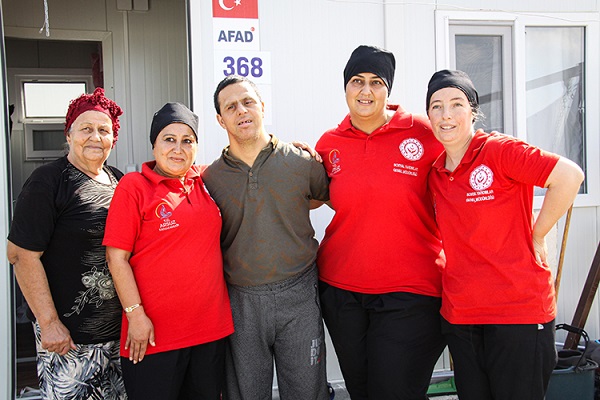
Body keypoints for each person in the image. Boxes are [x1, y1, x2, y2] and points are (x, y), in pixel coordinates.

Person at [425, 69, 585, 400]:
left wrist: (538, 233)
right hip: (463, 316)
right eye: (436, 106)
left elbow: (569, 176)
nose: (446, 115)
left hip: (517, 314)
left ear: (473, 110)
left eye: (456, 104)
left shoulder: (499, 151)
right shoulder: (436, 172)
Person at [314, 45, 446, 400]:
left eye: (376, 82)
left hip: (410, 292)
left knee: (395, 391)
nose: (366, 91)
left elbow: (463, 171)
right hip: (342, 291)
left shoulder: (424, 132)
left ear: (389, 89)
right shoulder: (330, 143)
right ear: (346, 87)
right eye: (357, 81)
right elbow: (315, 194)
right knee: (361, 390)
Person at [202, 75, 330, 400]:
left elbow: (322, 196)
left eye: (248, 102)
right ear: (220, 119)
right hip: (241, 302)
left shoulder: (302, 163)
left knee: (306, 393)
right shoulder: (210, 179)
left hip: (299, 296)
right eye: (231, 107)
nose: (241, 111)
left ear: (262, 106)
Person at [103, 103, 234, 400]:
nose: (178, 148)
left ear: (197, 147)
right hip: (152, 336)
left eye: (187, 140)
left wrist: (298, 150)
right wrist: (135, 316)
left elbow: (249, 161)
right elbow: (116, 257)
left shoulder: (206, 181)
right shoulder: (134, 187)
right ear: (154, 145)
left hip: (209, 332)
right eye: (168, 139)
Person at [7, 87, 127, 399]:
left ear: (113, 138)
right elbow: (21, 255)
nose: (95, 137)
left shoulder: (118, 180)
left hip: (118, 338)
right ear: (69, 134)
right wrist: (48, 323)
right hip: (68, 339)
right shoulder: (48, 181)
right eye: (86, 129)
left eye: (104, 130)